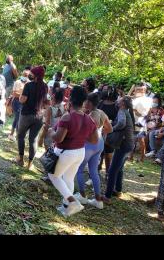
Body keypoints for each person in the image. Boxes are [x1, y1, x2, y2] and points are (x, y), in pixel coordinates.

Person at [47, 86, 98, 217]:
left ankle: (72, 201)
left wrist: (50, 131)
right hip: (79, 152)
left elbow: (58, 138)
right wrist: (80, 135)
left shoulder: (67, 117)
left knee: (54, 175)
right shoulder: (89, 119)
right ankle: (66, 207)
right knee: (68, 178)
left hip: (66, 151)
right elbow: (94, 140)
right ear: (84, 101)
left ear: (70, 99)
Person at [75, 92, 113, 209]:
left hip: (89, 145)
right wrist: (101, 132)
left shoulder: (91, 115)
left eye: (85, 101)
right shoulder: (102, 113)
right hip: (99, 144)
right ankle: (98, 200)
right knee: (94, 171)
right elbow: (110, 129)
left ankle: (82, 196)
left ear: (89, 102)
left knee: (80, 169)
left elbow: (86, 130)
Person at [103, 96, 135, 204]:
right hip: (128, 144)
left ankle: (107, 196)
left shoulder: (122, 111)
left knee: (112, 170)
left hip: (123, 144)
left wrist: (111, 129)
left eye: (119, 100)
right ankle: (118, 190)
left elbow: (121, 124)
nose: (117, 101)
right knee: (119, 168)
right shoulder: (126, 111)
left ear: (122, 104)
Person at [16, 66, 48, 169]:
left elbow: (22, 100)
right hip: (39, 116)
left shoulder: (28, 85)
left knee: (20, 136)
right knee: (33, 139)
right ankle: (30, 164)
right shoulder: (45, 86)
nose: (30, 74)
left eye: (32, 73)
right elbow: (45, 101)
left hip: (26, 115)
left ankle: (20, 159)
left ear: (36, 75)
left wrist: (21, 96)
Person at [98, 86, 119, 175]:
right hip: (99, 132)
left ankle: (108, 172)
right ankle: (97, 171)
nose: (105, 91)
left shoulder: (116, 106)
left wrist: (110, 124)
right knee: (99, 153)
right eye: (104, 90)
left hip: (110, 132)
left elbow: (117, 119)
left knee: (109, 153)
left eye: (107, 90)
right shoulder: (100, 103)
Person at [131, 83, 153, 161]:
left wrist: (141, 115)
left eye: (139, 89)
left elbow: (133, 110)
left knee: (135, 140)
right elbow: (150, 111)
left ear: (144, 90)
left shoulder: (137, 99)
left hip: (137, 121)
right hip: (142, 121)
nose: (137, 91)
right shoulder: (149, 99)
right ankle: (140, 157)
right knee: (140, 140)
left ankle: (133, 157)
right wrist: (145, 117)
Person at [8, 67, 30, 141]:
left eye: (27, 75)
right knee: (18, 118)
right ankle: (15, 135)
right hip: (17, 102)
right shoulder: (17, 82)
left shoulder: (29, 83)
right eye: (25, 74)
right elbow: (14, 93)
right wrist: (23, 95)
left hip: (25, 103)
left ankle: (15, 134)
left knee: (19, 118)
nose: (26, 76)